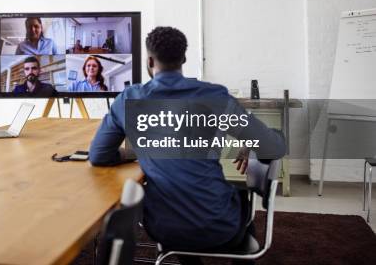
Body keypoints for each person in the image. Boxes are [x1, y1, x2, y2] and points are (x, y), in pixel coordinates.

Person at [88, 27, 286, 265]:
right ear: (183, 59)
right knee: (239, 209)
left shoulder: (129, 99)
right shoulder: (214, 97)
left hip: (163, 229)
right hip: (219, 225)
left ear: (149, 61)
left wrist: (139, 151)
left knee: (178, 209)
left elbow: (99, 155)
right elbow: (272, 148)